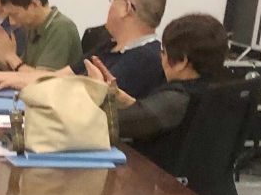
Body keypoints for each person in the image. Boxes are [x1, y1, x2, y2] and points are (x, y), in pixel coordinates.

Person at [84, 12, 230, 167]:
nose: (162, 58)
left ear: (182, 61)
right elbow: (149, 116)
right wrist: (120, 97)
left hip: (159, 179)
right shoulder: (221, 91)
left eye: (164, 52)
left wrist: (97, 90)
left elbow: (109, 124)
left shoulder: (178, 99)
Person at [0, 0, 167, 98]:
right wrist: (9, 78)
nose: (110, 6)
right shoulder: (108, 46)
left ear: (126, 8)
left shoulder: (145, 57)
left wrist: (15, 74)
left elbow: (84, 95)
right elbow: (58, 77)